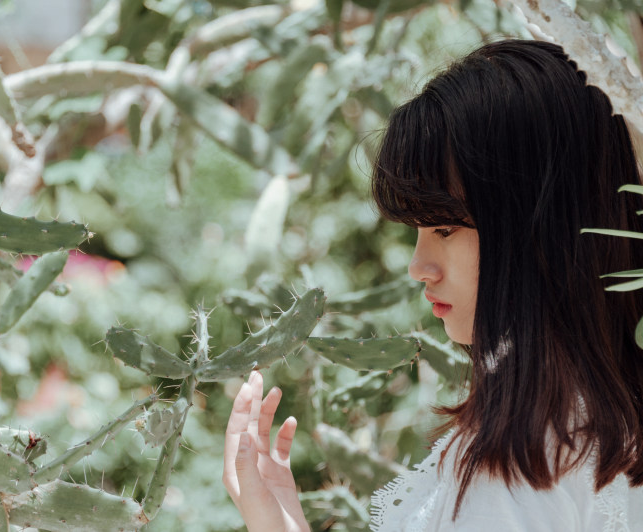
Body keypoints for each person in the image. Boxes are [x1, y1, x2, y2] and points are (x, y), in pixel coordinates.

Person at [222, 39, 643, 531]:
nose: (418, 266)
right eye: (417, 232)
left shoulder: (523, 462)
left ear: (540, 225)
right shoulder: (595, 426)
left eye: (445, 228)